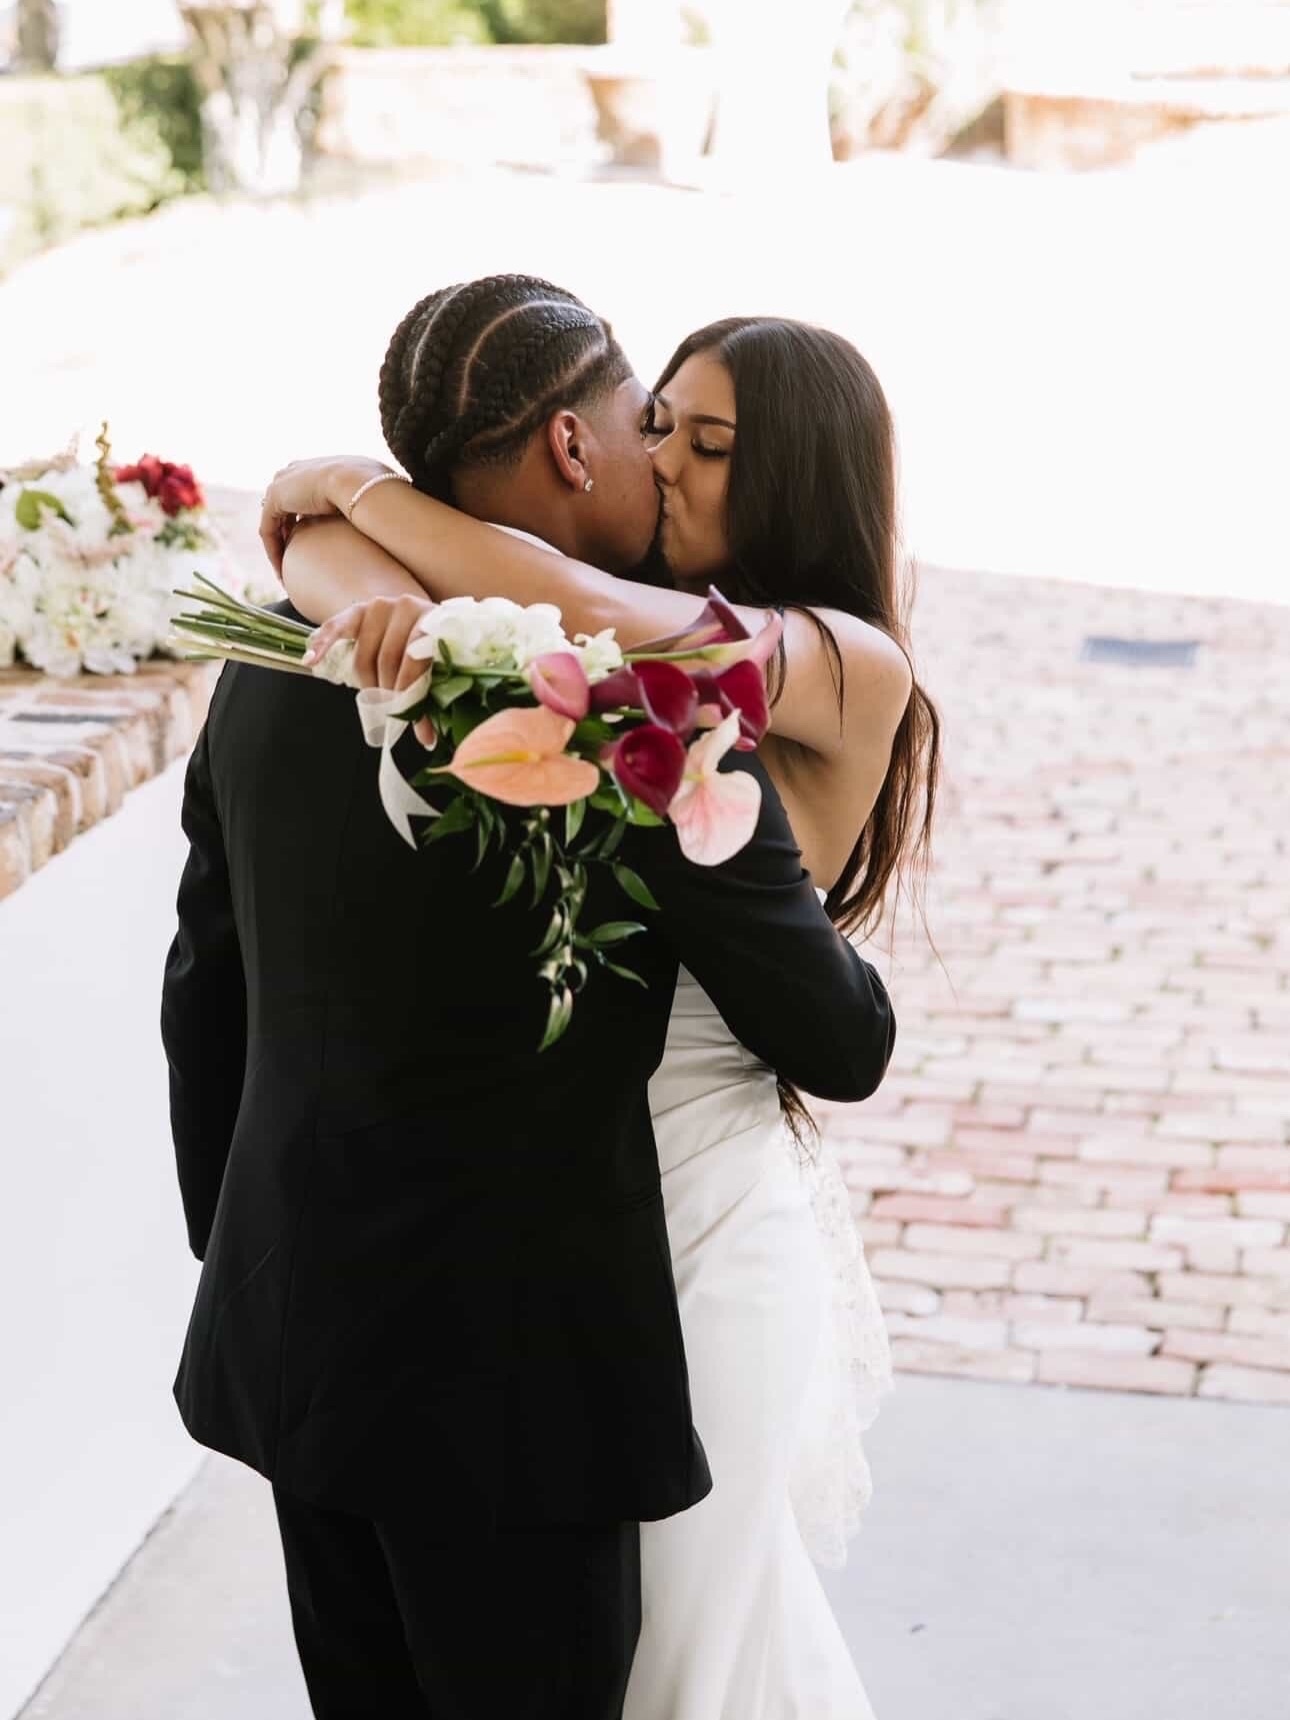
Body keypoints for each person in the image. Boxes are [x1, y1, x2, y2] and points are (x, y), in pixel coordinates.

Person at [163, 273, 898, 1720]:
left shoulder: (283, 665)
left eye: (709, 443)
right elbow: (838, 1036)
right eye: (657, 426)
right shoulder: (632, 732)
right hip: (528, 1375)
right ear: (576, 448)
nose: (667, 463)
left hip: (318, 1338)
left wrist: (254, 1256)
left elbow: (207, 987)